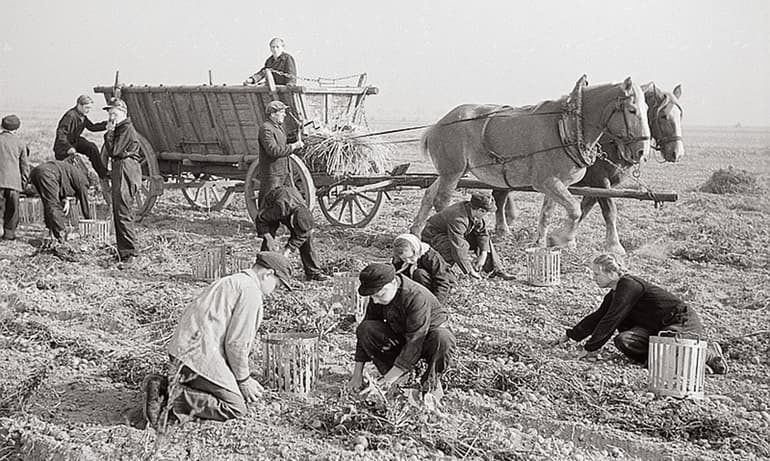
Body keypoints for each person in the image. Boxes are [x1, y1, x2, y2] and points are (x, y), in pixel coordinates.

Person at [142, 252, 293, 427]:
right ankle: (164, 393)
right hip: (198, 358)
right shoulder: (251, 292)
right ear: (268, 274)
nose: (275, 291)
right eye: (277, 285)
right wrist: (244, 381)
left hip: (181, 353)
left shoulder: (231, 281)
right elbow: (236, 344)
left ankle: (174, 389)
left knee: (227, 388)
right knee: (235, 407)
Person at [550, 253, 728, 374]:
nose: (594, 278)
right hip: (654, 329)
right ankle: (672, 362)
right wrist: (571, 336)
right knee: (624, 341)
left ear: (612, 273)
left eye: (597, 274)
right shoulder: (614, 293)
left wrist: (590, 348)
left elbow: (612, 319)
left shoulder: (628, 284)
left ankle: (708, 353)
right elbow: (598, 317)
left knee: (670, 343)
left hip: (679, 322)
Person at [345, 263, 455, 400]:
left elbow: (416, 341)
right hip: (403, 336)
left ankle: (429, 385)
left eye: (379, 295)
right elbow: (363, 334)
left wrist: (385, 381)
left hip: (427, 339)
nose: (375, 301)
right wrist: (357, 375)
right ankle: (397, 376)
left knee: (443, 338)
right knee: (366, 328)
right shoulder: (379, 295)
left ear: (392, 283)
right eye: (372, 297)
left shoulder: (415, 296)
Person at [421, 193, 515, 280]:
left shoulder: (473, 211)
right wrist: (470, 271)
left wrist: (483, 255)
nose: (485, 215)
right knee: (456, 246)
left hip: (450, 232)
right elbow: (458, 246)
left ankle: (496, 270)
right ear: (480, 210)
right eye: (485, 212)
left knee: (485, 241)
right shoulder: (458, 218)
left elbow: (482, 233)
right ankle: (442, 272)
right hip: (433, 236)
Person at [254, 185, 330, 282]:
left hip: (291, 204)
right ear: (292, 220)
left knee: (307, 237)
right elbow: (261, 219)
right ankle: (262, 270)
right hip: (274, 201)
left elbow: (303, 234)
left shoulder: (304, 212)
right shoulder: (279, 209)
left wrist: (287, 251)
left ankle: (313, 272)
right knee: (270, 236)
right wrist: (269, 238)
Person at [101, 97, 142, 264]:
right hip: (122, 168)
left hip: (125, 168)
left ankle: (130, 253)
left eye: (113, 113)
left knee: (123, 211)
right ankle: (124, 252)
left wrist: (109, 132)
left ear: (122, 113)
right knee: (119, 211)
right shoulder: (122, 128)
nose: (111, 117)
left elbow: (114, 150)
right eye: (110, 114)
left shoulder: (125, 129)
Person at [29, 155, 95, 244]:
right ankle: (61, 234)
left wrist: (65, 199)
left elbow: (63, 185)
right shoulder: (83, 181)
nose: (90, 194)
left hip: (37, 172)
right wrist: (89, 220)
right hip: (49, 174)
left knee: (48, 203)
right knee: (53, 205)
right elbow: (85, 202)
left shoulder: (75, 173)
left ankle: (50, 232)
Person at [53, 95, 110, 192]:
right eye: (87, 107)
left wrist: (106, 124)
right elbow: (61, 133)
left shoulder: (82, 116)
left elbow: (92, 127)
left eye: (90, 108)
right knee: (72, 169)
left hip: (74, 141)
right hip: (63, 146)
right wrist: (68, 148)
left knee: (92, 148)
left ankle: (103, 173)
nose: (88, 110)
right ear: (79, 105)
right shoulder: (70, 115)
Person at [257, 100, 304, 200]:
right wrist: (293, 146)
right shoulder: (266, 129)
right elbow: (273, 151)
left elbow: (283, 142)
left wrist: (299, 134)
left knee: (286, 202)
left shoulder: (278, 128)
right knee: (268, 204)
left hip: (284, 172)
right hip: (272, 175)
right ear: (273, 114)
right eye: (282, 112)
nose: (284, 115)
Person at [392, 233, 455, 304]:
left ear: (415, 249)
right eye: (404, 259)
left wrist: (436, 304)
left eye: (410, 257)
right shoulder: (398, 258)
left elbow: (442, 281)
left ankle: (425, 298)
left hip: (436, 283)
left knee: (419, 273)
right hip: (417, 283)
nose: (408, 261)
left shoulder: (430, 256)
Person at [0, 115, 30, 241]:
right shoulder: (20, 143)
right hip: (14, 183)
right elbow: (25, 167)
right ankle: (9, 233)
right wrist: (23, 183)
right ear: (16, 129)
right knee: (12, 210)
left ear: (2, 126)